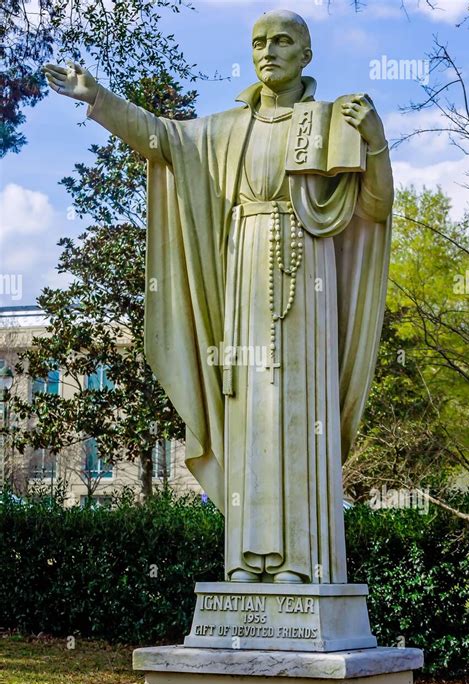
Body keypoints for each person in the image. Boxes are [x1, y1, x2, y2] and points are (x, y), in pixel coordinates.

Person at [45, 9, 393, 584]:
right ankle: (249, 560)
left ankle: (303, 565)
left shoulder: (334, 121)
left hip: (311, 282)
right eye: (259, 42)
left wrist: (375, 143)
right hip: (242, 282)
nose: (269, 51)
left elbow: (374, 208)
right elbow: (161, 137)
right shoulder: (228, 128)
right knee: (251, 413)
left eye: (283, 41)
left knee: (298, 411)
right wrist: (99, 96)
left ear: (306, 56)